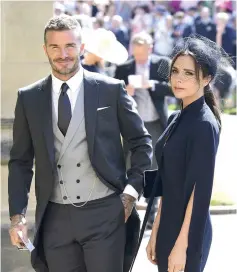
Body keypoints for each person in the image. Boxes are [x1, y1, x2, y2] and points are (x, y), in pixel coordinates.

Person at [8, 15, 152, 272]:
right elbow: (20, 161)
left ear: (82, 48)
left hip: (105, 213)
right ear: (45, 50)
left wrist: (130, 194)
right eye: (55, 47)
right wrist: (17, 217)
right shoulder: (29, 98)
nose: (63, 54)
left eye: (70, 46)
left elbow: (141, 143)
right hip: (55, 220)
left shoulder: (110, 89)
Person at [146, 37, 231, 272]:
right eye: (175, 71)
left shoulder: (204, 124)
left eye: (189, 73)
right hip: (169, 225)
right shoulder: (176, 118)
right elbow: (168, 180)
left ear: (207, 79)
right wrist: (156, 232)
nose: (179, 78)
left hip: (189, 233)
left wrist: (182, 245)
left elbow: (199, 191)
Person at [114, 32, 173, 230]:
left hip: (156, 122)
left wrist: (153, 85)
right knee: (131, 165)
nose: (139, 57)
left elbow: (175, 88)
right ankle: (129, 210)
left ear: (150, 49)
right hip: (133, 125)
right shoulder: (124, 68)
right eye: (136, 54)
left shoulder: (161, 64)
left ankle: (151, 213)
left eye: (142, 54)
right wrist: (125, 91)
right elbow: (114, 92)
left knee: (154, 167)